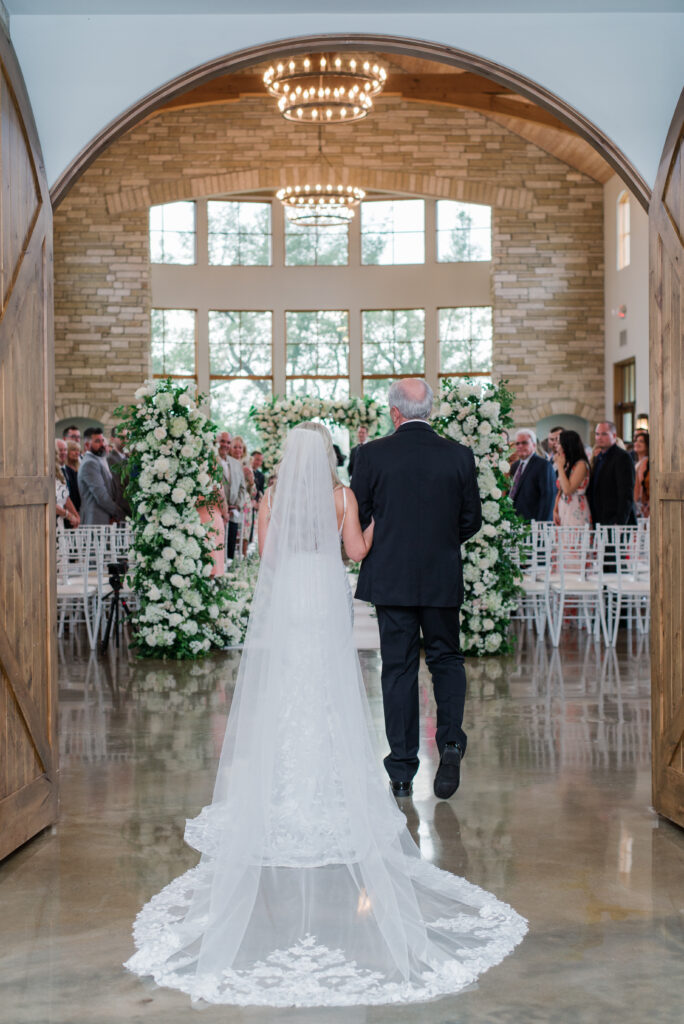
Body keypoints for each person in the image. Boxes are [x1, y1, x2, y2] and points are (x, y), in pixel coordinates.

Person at [124, 423, 526, 1007]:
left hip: (291, 595)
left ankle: (337, 775)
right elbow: (359, 550)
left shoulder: (270, 499)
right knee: (345, 687)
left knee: (294, 689)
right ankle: (382, 769)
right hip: (334, 593)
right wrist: (377, 525)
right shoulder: (344, 496)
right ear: (328, 457)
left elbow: (263, 555)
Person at [351, 379, 481, 800]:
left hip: (391, 579)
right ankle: (449, 743)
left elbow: (363, 515)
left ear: (394, 413)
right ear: (431, 410)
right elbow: (471, 520)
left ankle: (403, 770)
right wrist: (440, 544)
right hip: (441, 574)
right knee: (446, 659)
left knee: (399, 668)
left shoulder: (370, 455)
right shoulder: (459, 456)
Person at [587, 421, 637, 526]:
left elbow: (626, 492)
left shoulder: (622, 457)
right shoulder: (599, 458)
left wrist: (620, 521)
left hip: (615, 520)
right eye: (597, 434)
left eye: (604, 434)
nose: (599, 437)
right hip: (600, 519)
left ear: (614, 435)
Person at [77, 429, 125, 525]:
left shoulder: (99, 460)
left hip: (105, 518)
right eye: (97, 441)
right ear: (87, 445)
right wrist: (121, 514)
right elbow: (101, 496)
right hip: (96, 520)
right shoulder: (89, 463)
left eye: (102, 440)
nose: (102, 444)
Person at [508, 429, 556, 523]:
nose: (520, 446)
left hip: (535, 524)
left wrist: (541, 525)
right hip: (516, 523)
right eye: (517, 443)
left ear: (534, 445)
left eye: (524, 443)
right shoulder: (515, 466)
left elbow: (548, 498)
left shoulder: (544, 465)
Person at [216, 432, 248, 561]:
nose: (225, 445)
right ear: (217, 442)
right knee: (217, 547)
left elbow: (242, 488)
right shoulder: (211, 459)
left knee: (230, 550)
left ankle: (228, 576)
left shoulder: (236, 463)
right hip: (217, 511)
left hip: (233, 512)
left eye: (228, 442)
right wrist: (223, 507)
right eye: (222, 441)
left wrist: (237, 505)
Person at [553, 429, 592, 526]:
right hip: (563, 506)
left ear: (567, 445)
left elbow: (568, 490)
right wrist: (555, 510)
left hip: (575, 508)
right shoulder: (567, 464)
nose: (556, 446)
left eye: (558, 443)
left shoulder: (581, 464)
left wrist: (560, 467)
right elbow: (561, 490)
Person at [107, 426, 132, 519]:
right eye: (121, 437)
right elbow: (119, 489)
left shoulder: (127, 458)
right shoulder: (110, 459)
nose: (125, 440)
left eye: (127, 437)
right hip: (121, 512)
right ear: (112, 439)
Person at [55, 440, 79, 529]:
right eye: (59, 451)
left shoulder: (61, 473)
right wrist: (68, 515)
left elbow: (66, 497)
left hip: (63, 522)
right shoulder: (48, 473)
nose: (62, 453)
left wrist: (76, 516)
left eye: (65, 450)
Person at [633, 430, 650, 518]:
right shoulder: (637, 462)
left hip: (641, 503)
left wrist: (636, 501)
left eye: (641, 441)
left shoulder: (645, 461)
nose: (637, 443)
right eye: (636, 441)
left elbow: (639, 484)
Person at [63, 440, 82, 518]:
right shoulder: (64, 470)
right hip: (69, 509)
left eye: (78, 450)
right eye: (73, 450)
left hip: (80, 508)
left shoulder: (80, 468)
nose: (77, 453)